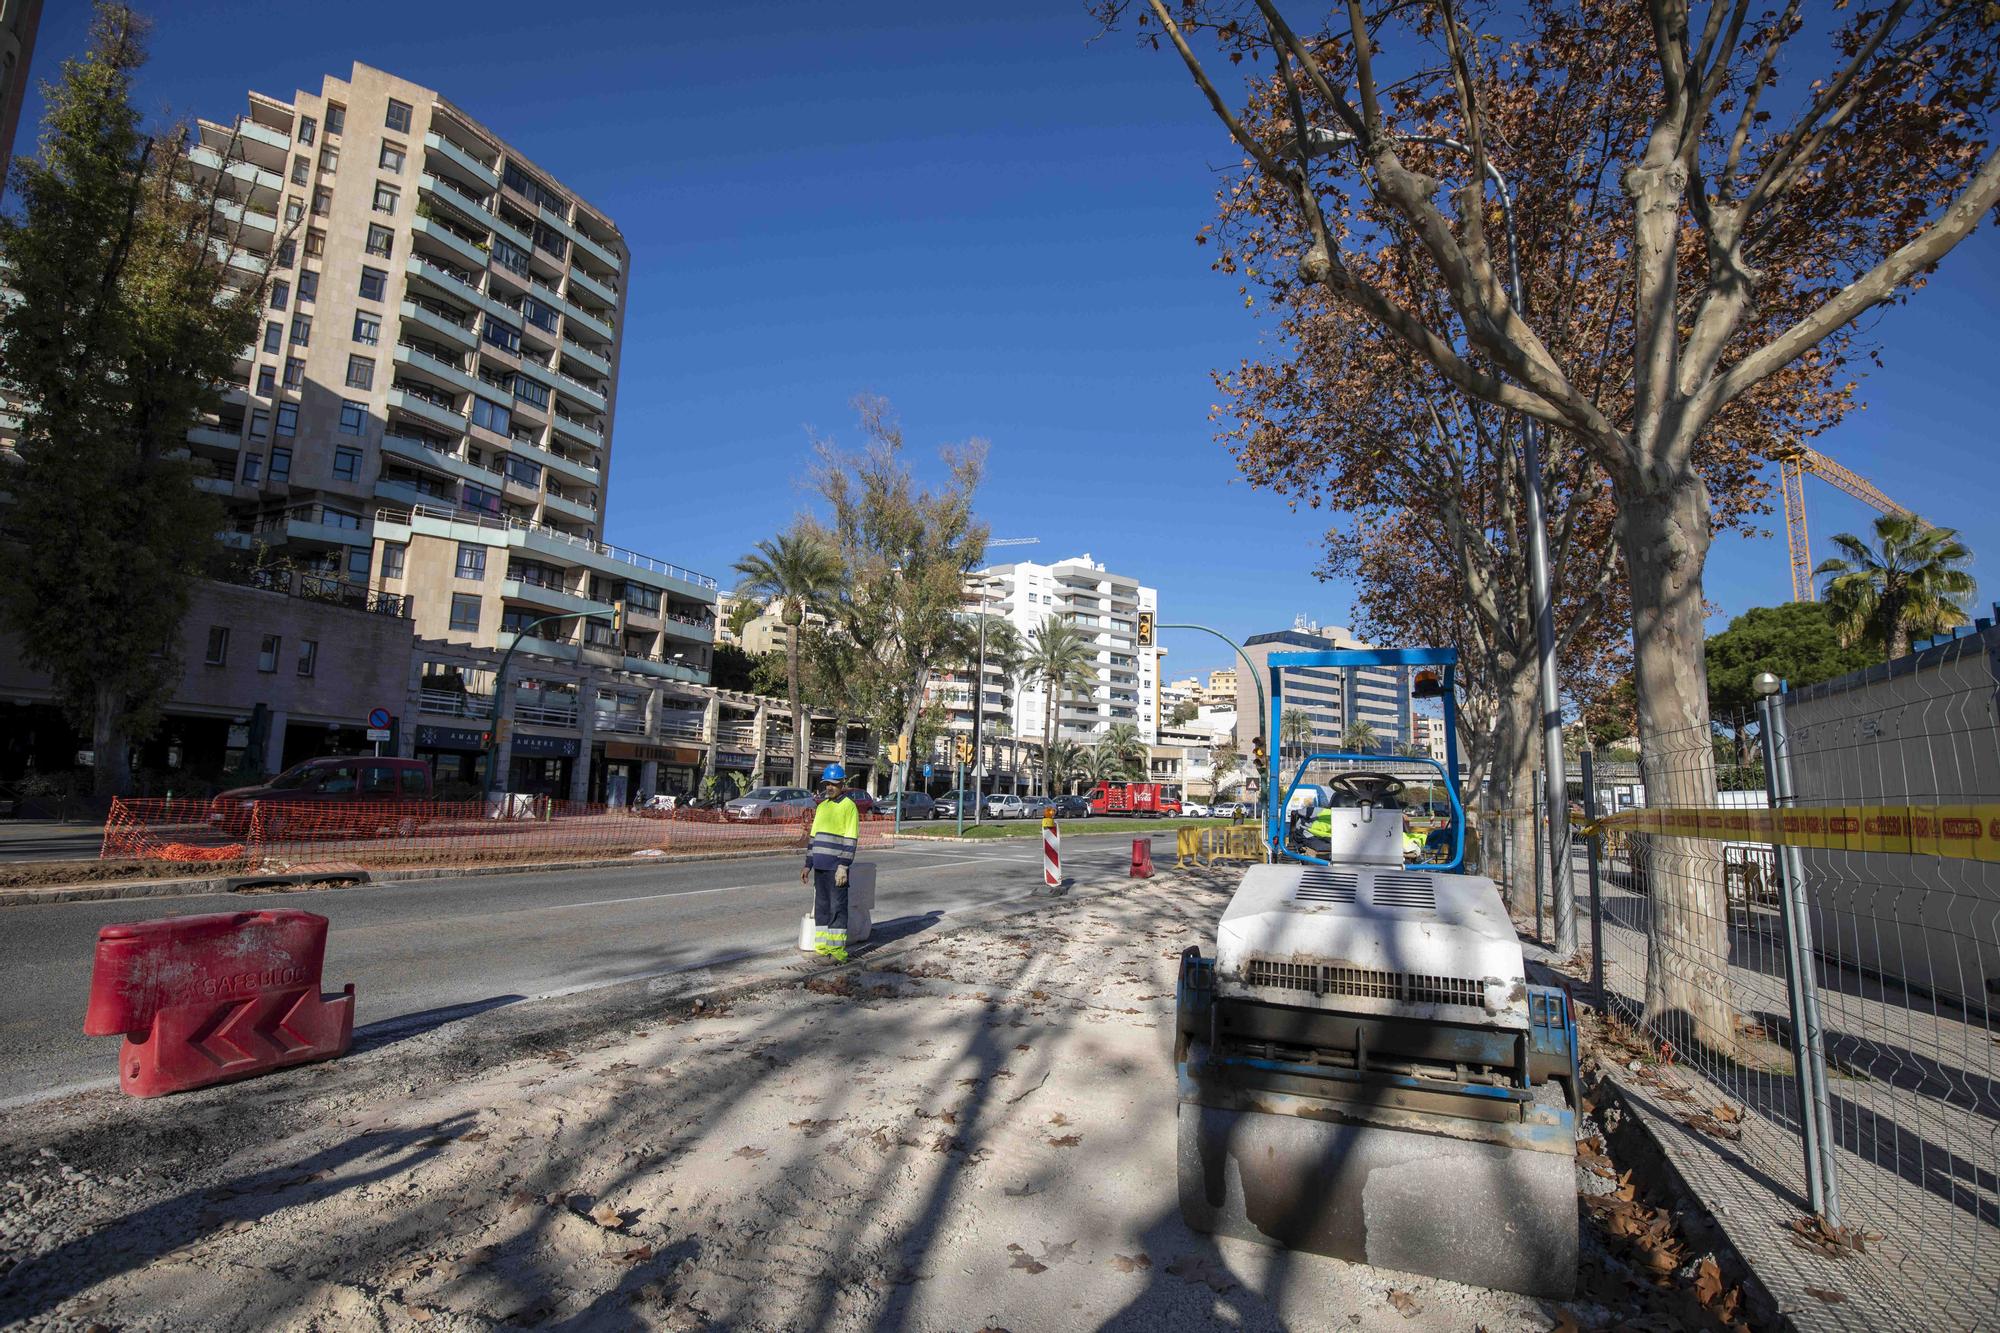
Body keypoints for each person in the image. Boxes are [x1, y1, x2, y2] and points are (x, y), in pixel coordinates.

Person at [802, 763, 859, 962]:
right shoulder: (822, 807)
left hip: (836, 868)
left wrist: (843, 866)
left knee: (837, 907)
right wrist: (807, 865)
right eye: (827, 784)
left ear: (842, 784)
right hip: (820, 866)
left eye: (834, 784)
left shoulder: (848, 806)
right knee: (822, 906)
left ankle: (837, 950)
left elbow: (851, 839)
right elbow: (813, 837)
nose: (830, 787)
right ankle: (822, 945)